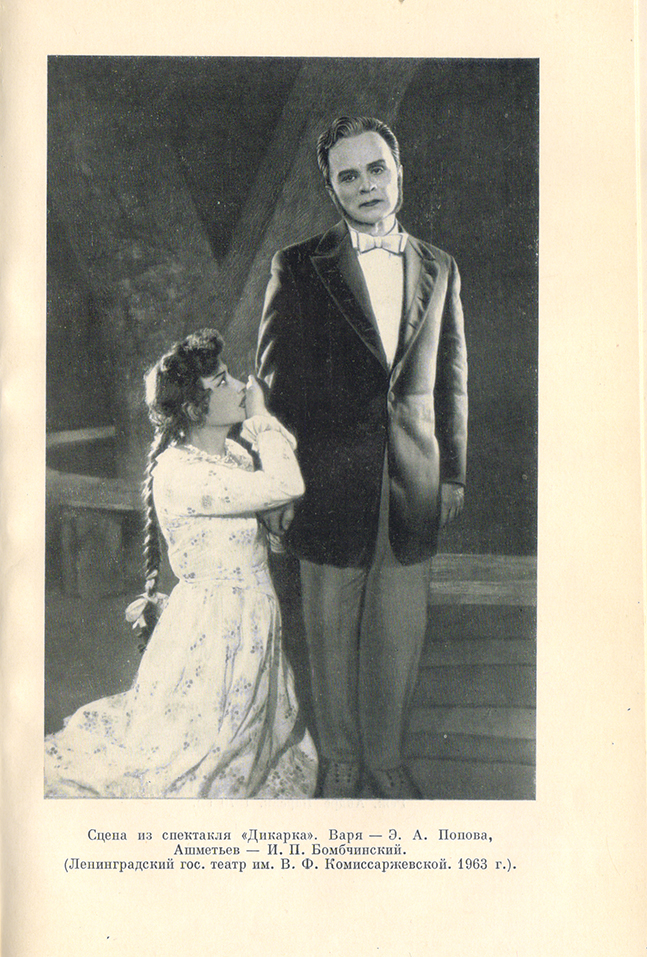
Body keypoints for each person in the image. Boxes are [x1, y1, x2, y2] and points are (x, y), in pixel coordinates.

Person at [257, 116, 468, 799]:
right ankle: (341, 758)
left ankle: (385, 758)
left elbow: (451, 380)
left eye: (376, 169)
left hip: (413, 476)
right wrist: (278, 483)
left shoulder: (440, 265)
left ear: (398, 170)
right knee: (327, 626)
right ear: (331, 188)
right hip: (324, 477)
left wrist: (452, 471)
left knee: (399, 628)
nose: (366, 185)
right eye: (347, 176)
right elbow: (273, 386)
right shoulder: (297, 264)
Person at [45, 328, 317, 799]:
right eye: (223, 382)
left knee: (250, 737)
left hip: (253, 616)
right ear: (194, 409)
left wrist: (273, 524)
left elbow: (261, 517)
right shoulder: (181, 472)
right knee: (198, 757)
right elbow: (288, 483)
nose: (242, 387)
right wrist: (261, 418)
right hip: (215, 626)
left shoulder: (233, 455)